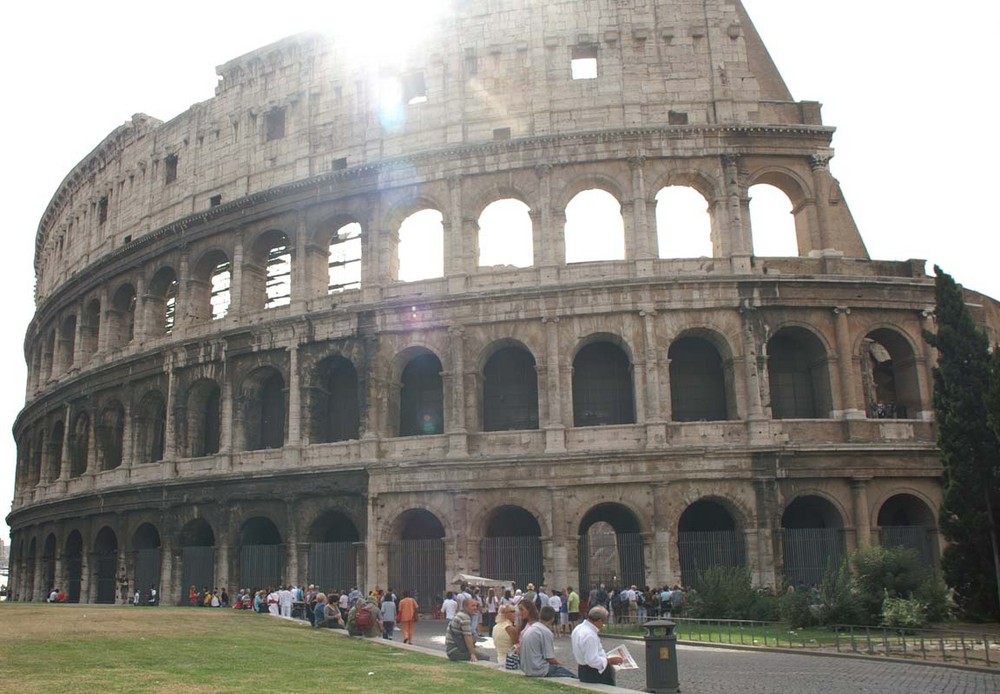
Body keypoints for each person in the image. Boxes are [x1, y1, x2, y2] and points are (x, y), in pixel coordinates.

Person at [571, 605, 624, 685]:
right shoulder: (590, 635)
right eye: (604, 622)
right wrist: (610, 661)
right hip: (594, 673)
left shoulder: (579, 628)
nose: (603, 625)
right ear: (599, 621)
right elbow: (592, 660)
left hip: (584, 669)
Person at [520, 605, 575, 678]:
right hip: (539, 669)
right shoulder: (545, 632)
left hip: (527, 668)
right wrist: (561, 664)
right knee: (572, 675)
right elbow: (549, 658)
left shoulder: (531, 628)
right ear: (552, 619)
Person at [445, 598, 488, 662]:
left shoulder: (460, 614)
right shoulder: (465, 618)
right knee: (485, 657)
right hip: (455, 650)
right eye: (472, 606)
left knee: (480, 651)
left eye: (476, 606)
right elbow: (468, 637)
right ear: (465, 607)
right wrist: (472, 654)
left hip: (452, 649)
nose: (475, 608)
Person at [492, 604, 519, 668]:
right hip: (510, 660)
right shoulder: (510, 628)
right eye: (512, 611)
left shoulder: (495, 626)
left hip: (500, 658)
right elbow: (517, 646)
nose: (515, 613)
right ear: (506, 614)